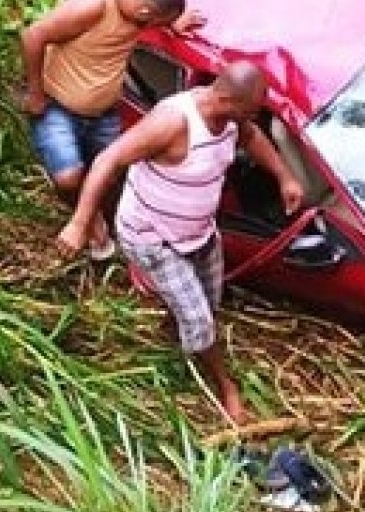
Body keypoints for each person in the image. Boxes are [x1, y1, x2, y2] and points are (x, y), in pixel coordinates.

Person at [56, 61, 304, 423]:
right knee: (200, 320)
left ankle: (177, 324)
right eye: (249, 111)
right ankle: (225, 388)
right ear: (226, 100)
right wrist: (80, 223)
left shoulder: (233, 120)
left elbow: (251, 137)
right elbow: (109, 160)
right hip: (153, 238)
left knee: (209, 300)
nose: (252, 119)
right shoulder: (172, 123)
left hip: (198, 232)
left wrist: (285, 177)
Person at [20, 0, 203, 258]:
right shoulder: (93, 6)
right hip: (58, 105)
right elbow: (33, 35)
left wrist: (174, 25)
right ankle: (88, 223)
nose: (152, 28)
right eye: (156, 23)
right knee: (69, 177)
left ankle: (108, 228)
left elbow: (155, 12)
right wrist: (35, 93)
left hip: (103, 111)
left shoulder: (139, 9)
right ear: (146, 13)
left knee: (112, 173)